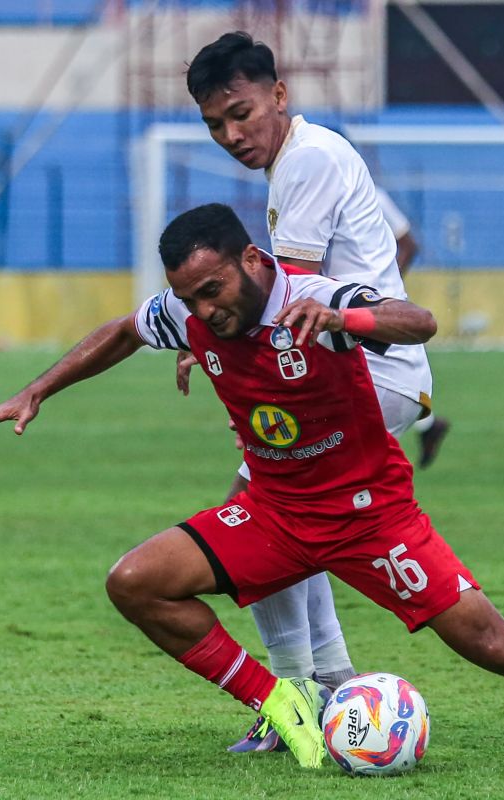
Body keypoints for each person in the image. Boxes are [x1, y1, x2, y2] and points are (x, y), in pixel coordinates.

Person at [0, 203, 504, 770]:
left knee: (496, 645)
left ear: (254, 261)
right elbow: (126, 331)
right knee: (134, 582)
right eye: (191, 298)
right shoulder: (187, 314)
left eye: (215, 288)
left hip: (374, 520)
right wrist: (37, 390)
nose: (204, 310)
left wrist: (347, 324)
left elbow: (419, 320)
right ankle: (279, 700)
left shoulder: (315, 297)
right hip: (270, 514)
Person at [176, 32, 451, 752]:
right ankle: (320, 680)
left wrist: (219, 341)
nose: (231, 135)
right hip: (362, 369)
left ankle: (299, 688)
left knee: (261, 513)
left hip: (372, 372)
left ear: (278, 94)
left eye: (240, 114)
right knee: (281, 515)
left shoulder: (309, 161)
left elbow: (284, 295)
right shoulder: (310, 157)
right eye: (214, 126)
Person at [376, 185, 450, 467]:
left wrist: (384, 288)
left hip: (367, 310)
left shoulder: (371, 194)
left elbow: (408, 243)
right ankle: (428, 427)